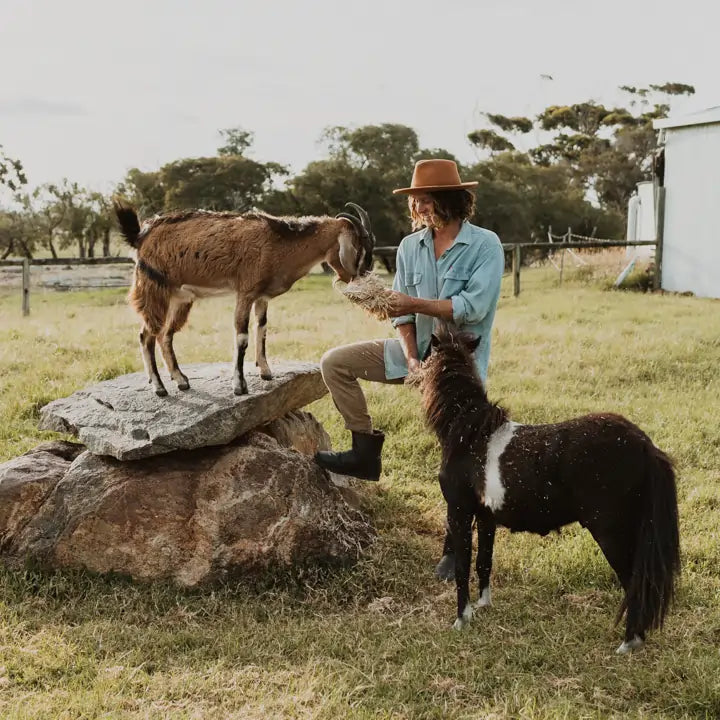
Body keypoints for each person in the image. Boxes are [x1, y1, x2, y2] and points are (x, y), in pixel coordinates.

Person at [314, 159, 505, 575]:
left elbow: (473, 309)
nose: (417, 208)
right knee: (335, 363)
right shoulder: (409, 247)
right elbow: (398, 313)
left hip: (458, 368)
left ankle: (455, 547)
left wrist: (414, 306)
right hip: (415, 355)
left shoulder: (486, 246)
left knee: (454, 463)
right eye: (414, 201)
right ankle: (364, 452)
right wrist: (412, 356)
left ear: (451, 200)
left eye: (424, 200)